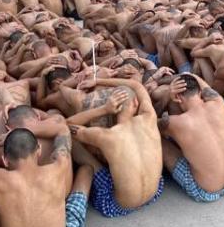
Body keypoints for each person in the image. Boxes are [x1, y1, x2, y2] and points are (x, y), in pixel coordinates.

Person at [69, 78, 163, 218]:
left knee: (71, 139)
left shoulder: (106, 136)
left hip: (116, 206)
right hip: (155, 194)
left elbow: (66, 126)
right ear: (135, 103)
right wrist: (99, 80)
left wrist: (103, 109)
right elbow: (137, 85)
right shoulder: (149, 117)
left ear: (111, 113)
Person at [160, 74, 224, 200]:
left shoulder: (175, 123)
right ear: (200, 92)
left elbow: (148, 125)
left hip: (204, 191)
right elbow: (203, 85)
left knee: (160, 141)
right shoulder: (218, 102)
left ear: (177, 97)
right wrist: (190, 75)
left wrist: (167, 96)